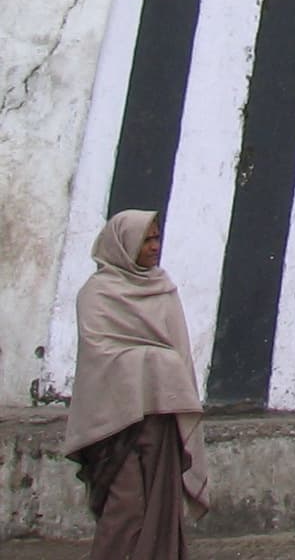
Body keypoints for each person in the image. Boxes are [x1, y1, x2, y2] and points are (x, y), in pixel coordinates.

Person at [63, 210, 209, 558]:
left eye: (156, 238)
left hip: (160, 413)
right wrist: (158, 364)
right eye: (146, 240)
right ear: (123, 244)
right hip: (113, 421)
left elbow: (180, 353)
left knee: (161, 504)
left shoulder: (163, 289)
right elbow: (100, 355)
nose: (154, 247)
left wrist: (164, 370)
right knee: (125, 506)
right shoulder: (97, 294)